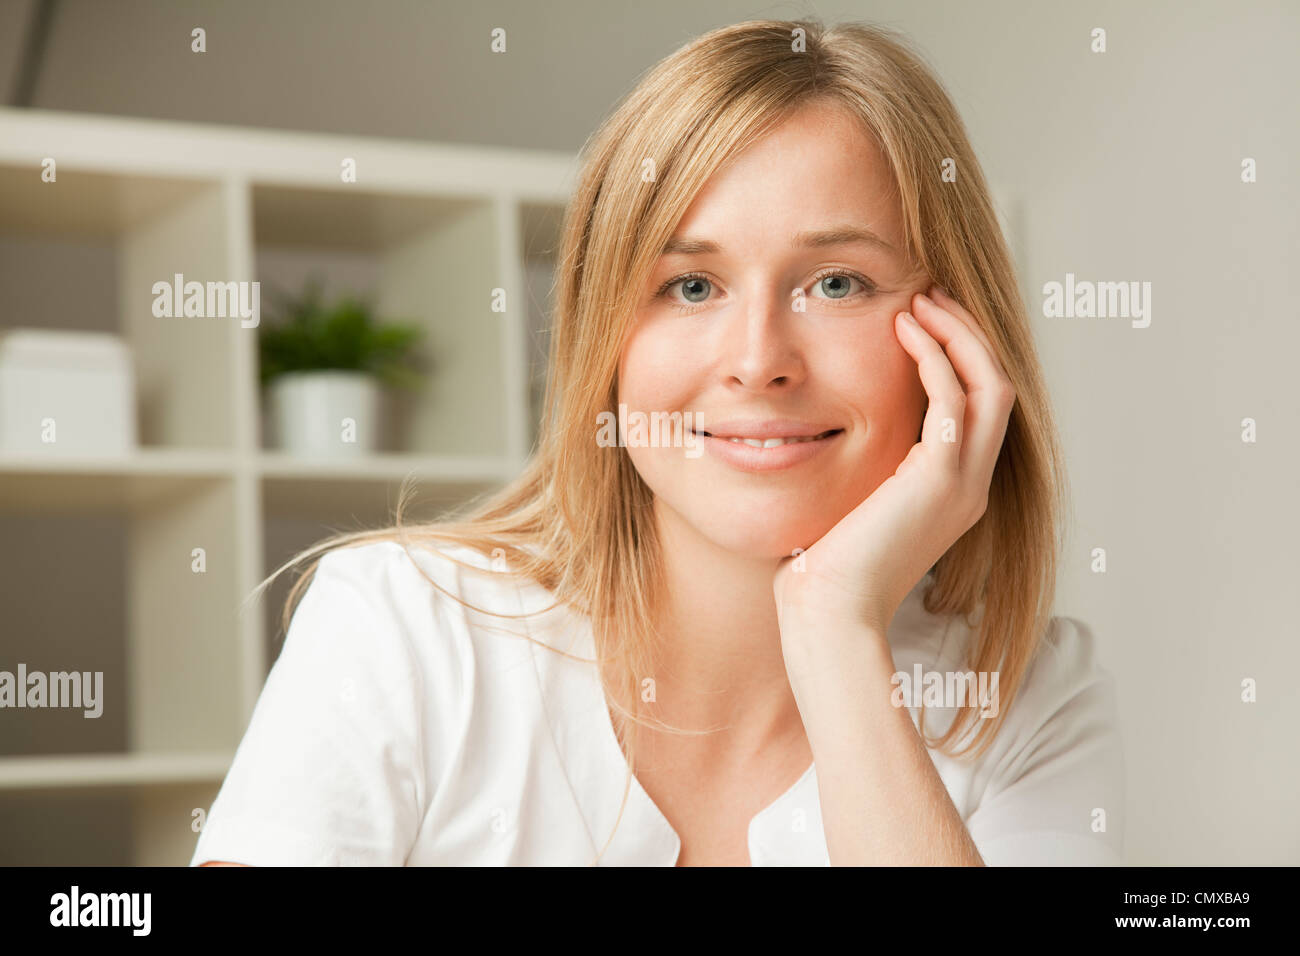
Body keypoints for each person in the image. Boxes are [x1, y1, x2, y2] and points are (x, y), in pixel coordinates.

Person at [193, 18, 1124, 867]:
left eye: (837, 284)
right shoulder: (406, 630)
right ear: (606, 333)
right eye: (690, 286)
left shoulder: (1026, 699)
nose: (758, 361)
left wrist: (836, 631)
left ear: (955, 338)